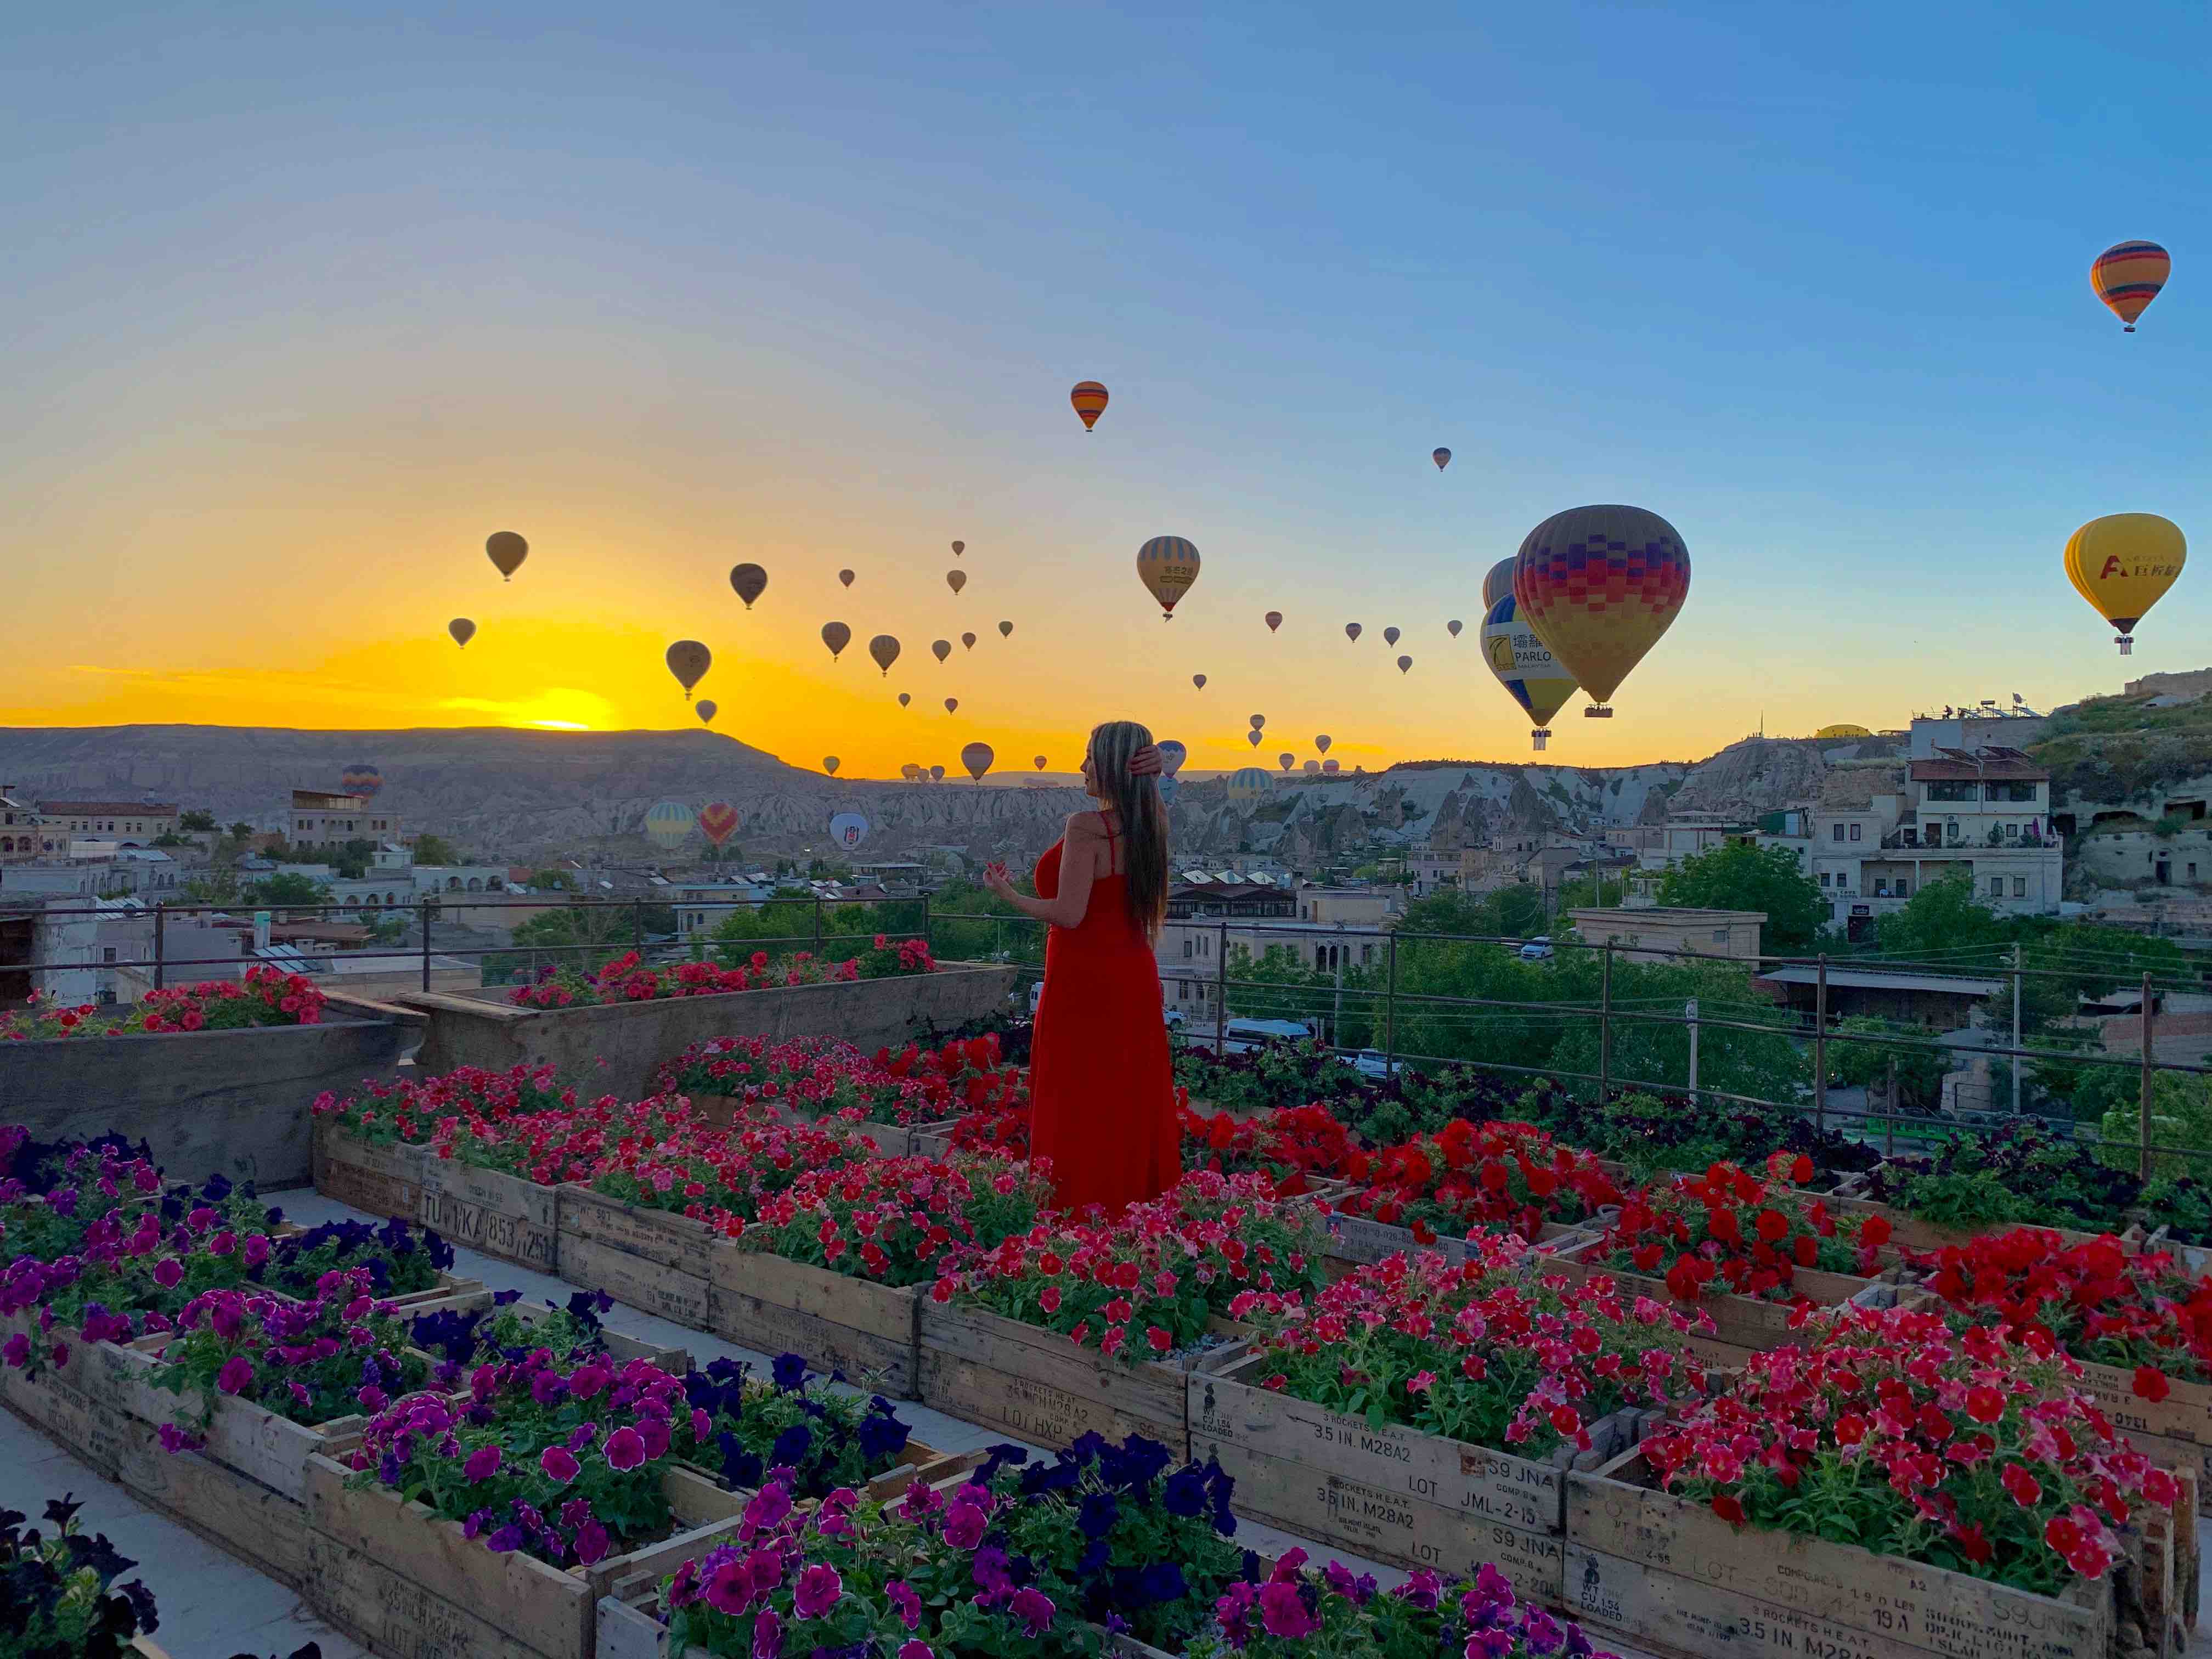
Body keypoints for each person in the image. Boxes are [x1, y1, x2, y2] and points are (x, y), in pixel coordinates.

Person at [983, 719, 1179, 1216]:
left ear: (1112, 765)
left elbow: (1069, 914)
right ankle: (1130, 1205)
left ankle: (1077, 1206)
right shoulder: (1149, 824)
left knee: (1077, 1091)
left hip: (1085, 978)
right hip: (1133, 974)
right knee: (1125, 1092)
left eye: (1090, 756)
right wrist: (1153, 781)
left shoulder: (1086, 826)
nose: (1082, 767)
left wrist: (1009, 896)